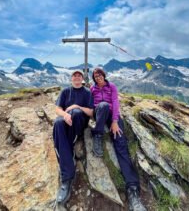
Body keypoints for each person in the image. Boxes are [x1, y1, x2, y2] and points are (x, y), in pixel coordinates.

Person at [90, 68, 146, 211]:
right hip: (99, 113)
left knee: (120, 143)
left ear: (104, 75)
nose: (98, 77)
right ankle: (97, 135)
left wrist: (115, 121)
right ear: (94, 78)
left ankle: (133, 190)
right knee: (101, 105)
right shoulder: (92, 89)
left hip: (112, 116)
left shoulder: (112, 86)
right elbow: (91, 106)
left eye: (100, 75)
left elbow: (115, 102)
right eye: (96, 76)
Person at [53, 69, 94, 204]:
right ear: (71, 78)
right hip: (67, 120)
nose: (77, 77)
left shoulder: (87, 92)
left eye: (79, 76)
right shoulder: (65, 91)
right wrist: (64, 115)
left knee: (76, 112)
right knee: (58, 122)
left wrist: (77, 106)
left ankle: (66, 175)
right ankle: (67, 176)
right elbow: (58, 109)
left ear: (82, 79)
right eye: (74, 76)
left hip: (79, 123)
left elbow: (90, 112)